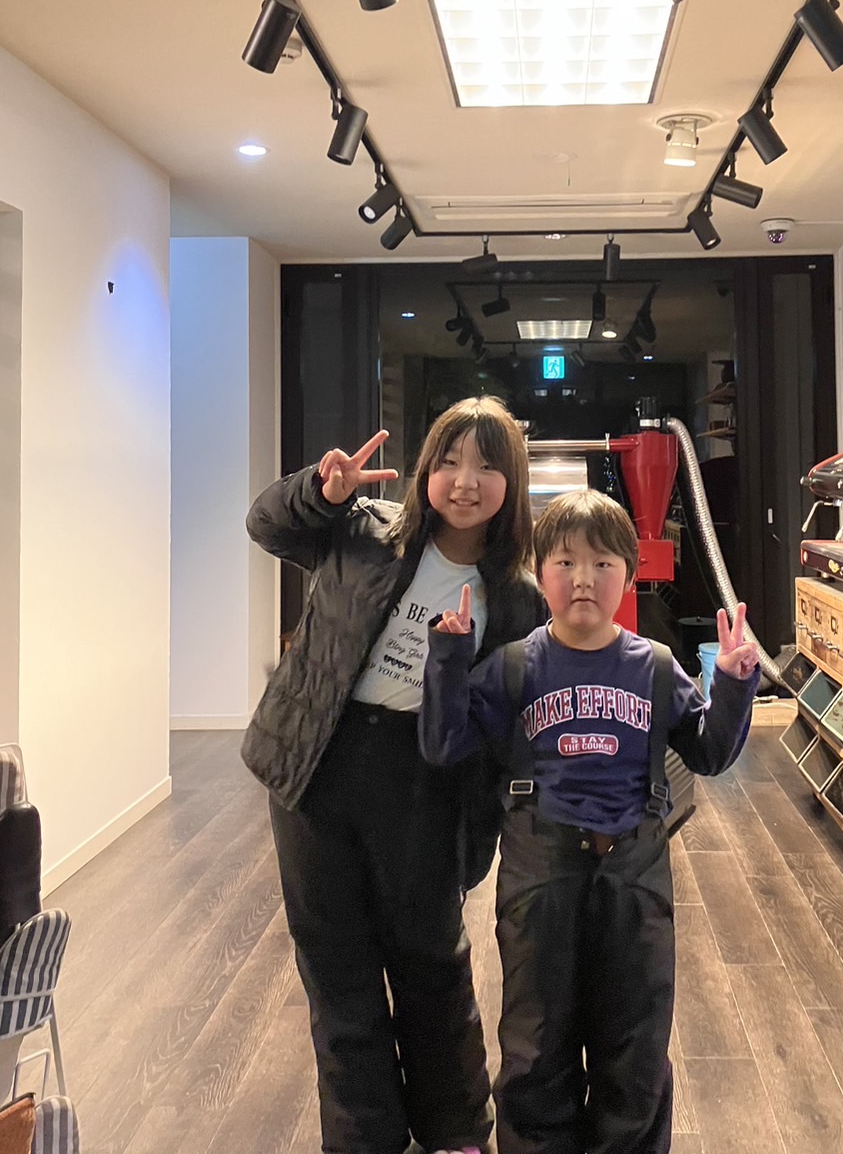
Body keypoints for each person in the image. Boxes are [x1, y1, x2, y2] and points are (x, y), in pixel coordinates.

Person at [243, 397, 547, 1154]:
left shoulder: (517, 599)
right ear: (425, 468)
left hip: (425, 779)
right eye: (450, 460)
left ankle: (455, 1128)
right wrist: (319, 490)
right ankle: (364, 1135)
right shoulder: (366, 531)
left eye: (486, 465)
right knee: (334, 960)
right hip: (319, 759)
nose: (465, 480)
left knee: (430, 957)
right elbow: (267, 524)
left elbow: (505, 727)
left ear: (511, 483)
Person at [420, 488, 760, 1154]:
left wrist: (732, 681)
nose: (583, 578)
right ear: (538, 572)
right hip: (538, 876)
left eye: (602, 563)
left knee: (635, 1046)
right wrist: (447, 657)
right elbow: (443, 744)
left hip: (636, 874)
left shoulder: (654, 667)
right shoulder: (514, 665)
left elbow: (709, 753)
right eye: (565, 562)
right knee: (535, 1044)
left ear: (628, 576)